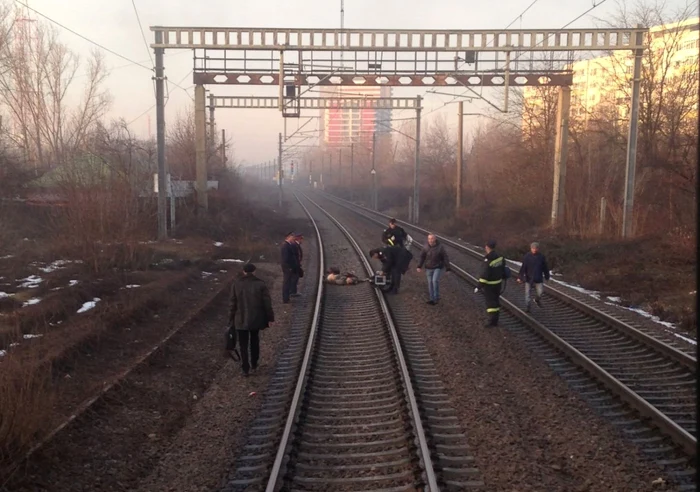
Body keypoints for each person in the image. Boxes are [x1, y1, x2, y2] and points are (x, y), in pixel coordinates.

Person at [228, 263, 274, 377]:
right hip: (256, 318)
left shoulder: (236, 284)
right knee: (254, 341)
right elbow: (267, 303)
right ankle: (254, 363)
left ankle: (245, 368)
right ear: (254, 271)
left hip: (240, 318)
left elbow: (232, 304)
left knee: (243, 344)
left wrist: (230, 320)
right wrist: (270, 318)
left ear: (243, 271)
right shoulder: (260, 284)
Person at [476, 240, 506, 327]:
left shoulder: (488, 259)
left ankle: (491, 321)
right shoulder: (500, 257)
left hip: (490, 285)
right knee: (496, 301)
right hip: (498, 283)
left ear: (487, 247)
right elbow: (503, 267)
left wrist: (479, 286)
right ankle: (496, 319)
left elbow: (485, 274)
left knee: (490, 303)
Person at [416, 234, 451, 305]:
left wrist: (448, 268)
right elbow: (422, 257)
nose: (430, 240)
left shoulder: (440, 247)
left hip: (437, 267)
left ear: (435, 239)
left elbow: (445, 257)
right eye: (429, 239)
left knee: (435, 281)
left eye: (432, 239)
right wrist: (419, 266)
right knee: (430, 283)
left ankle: (436, 297)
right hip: (428, 268)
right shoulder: (425, 247)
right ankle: (432, 299)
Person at [517, 241, 550, 312]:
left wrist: (547, 276)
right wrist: (520, 277)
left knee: (540, 292)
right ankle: (528, 307)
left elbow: (545, 267)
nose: (534, 250)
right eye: (533, 248)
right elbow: (523, 268)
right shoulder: (527, 257)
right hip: (529, 278)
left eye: (536, 248)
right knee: (527, 294)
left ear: (538, 249)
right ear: (531, 248)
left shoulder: (541, 257)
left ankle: (537, 299)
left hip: (538, 277)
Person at [280, 232, 300, 303]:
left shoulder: (288, 245)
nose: (293, 238)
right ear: (288, 237)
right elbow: (286, 258)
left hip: (289, 267)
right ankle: (285, 299)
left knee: (288, 282)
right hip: (287, 268)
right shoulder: (286, 246)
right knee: (287, 282)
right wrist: (289, 267)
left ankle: (287, 297)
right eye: (292, 236)